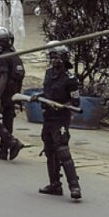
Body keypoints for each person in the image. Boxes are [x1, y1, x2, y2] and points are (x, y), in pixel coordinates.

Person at [32, 43, 82, 200]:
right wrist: (38, 96)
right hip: (48, 118)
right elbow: (47, 92)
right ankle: (54, 184)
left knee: (62, 150)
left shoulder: (71, 80)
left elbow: (75, 103)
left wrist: (61, 106)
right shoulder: (48, 74)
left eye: (56, 57)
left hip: (60, 119)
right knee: (50, 151)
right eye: (51, 57)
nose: (53, 61)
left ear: (64, 59)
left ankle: (74, 187)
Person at [0, 26, 26, 161]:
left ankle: (12, 142)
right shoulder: (16, 57)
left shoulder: (3, 57)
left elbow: (3, 77)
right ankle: (3, 151)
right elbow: (20, 78)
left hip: (3, 94)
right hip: (13, 94)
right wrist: (18, 96)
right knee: (8, 121)